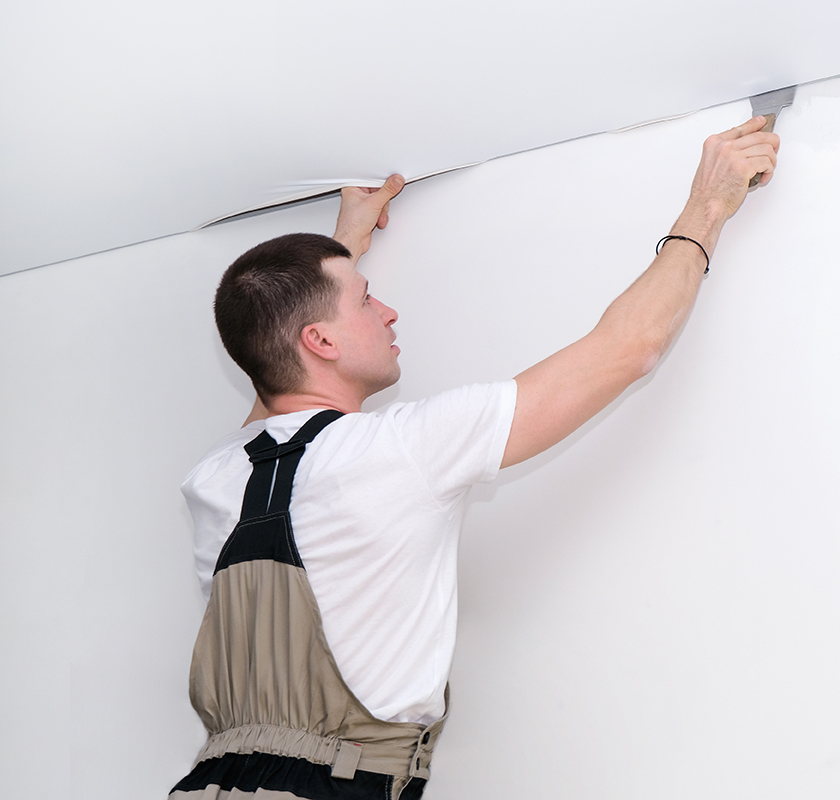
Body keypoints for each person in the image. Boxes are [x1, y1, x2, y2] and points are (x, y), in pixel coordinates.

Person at [170, 116, 780, 800]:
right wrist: (708, 204)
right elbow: (626, 349)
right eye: (367, 301)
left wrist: (340, 250)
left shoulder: (219, 476)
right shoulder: (402, 449)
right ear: (320, 340)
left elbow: (274, 374)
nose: (390, 313)